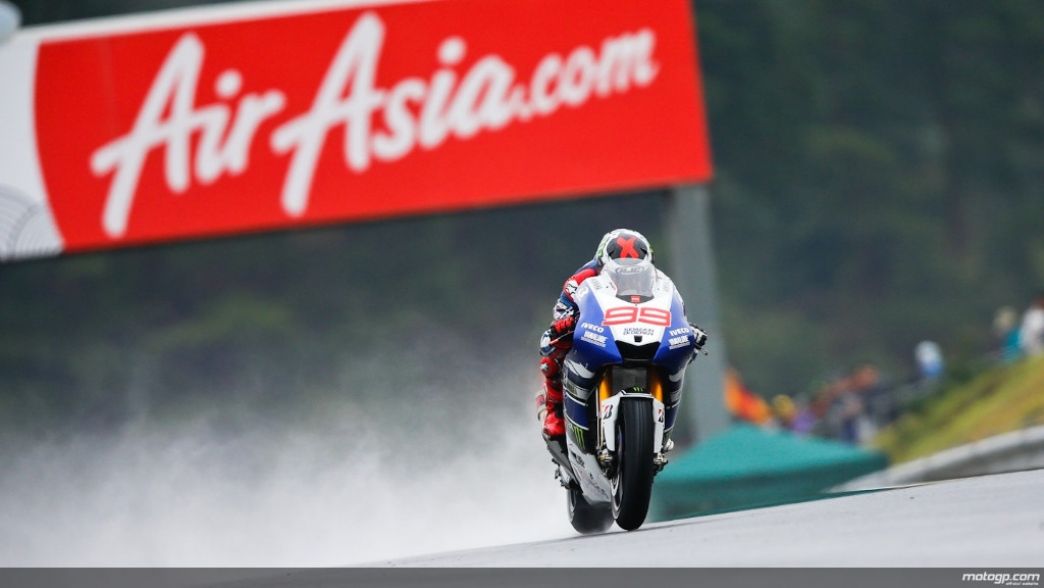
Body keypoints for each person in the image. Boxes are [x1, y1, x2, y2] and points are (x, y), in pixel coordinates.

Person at [535, 228, 707, 440]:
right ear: (603, 265)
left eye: (637, 272)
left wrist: (688, 331)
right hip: (597, 332)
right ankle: (554, 412)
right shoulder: (581, 279)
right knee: (551, 352)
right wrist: (565, 324)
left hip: (640, 333)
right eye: (621, 272)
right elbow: (560, 311)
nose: (631, 279)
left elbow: (675, 312)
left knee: (686, 351)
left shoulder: (662, 282)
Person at [1019, 292, 1044, 357]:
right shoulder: (1036, 314)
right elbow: (1037, 331)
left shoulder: (1031, 313)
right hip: (1033, 345)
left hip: (1028, 344)